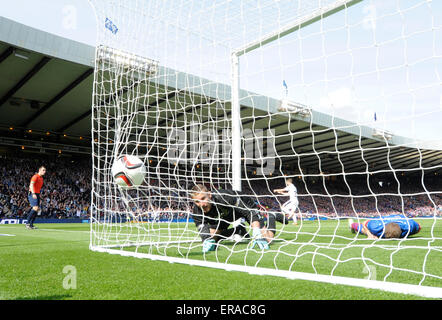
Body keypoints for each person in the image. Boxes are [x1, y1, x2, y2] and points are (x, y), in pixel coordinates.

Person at [190, 184, 279, 252]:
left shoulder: (223, 197)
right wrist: (206, 240)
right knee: (212, 239)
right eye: (197, 201)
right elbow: (202, 227)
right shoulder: (197, 210)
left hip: (245, 207)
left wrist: (256, 230)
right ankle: (239, 230)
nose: (201, 204)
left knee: (268, 239)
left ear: (209, 195)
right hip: (226, 215)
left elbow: (248, 212)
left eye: (203, 198)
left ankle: (272, 216)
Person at [348, 214, 421, 239]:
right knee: (364, 230)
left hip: (400, 218)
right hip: (380, 220)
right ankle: (352, 224)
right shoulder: (376, 227)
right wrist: (370, 234)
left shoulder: (410, 226)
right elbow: (365, 223)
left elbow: (419, 227)